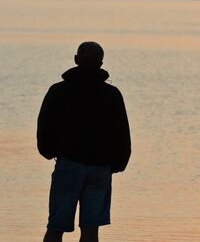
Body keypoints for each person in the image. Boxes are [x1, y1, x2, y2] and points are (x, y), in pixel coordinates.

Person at [37, 41, 131, 242]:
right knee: (91, 229)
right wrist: (118, 164)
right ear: (101, 63)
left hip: (69, 165)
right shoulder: (112, 95)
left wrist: (48, 151)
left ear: (76, 60)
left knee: (56, 227)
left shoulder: (58, 91)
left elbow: (44, 126)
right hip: (100, 168)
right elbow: (122, 134)